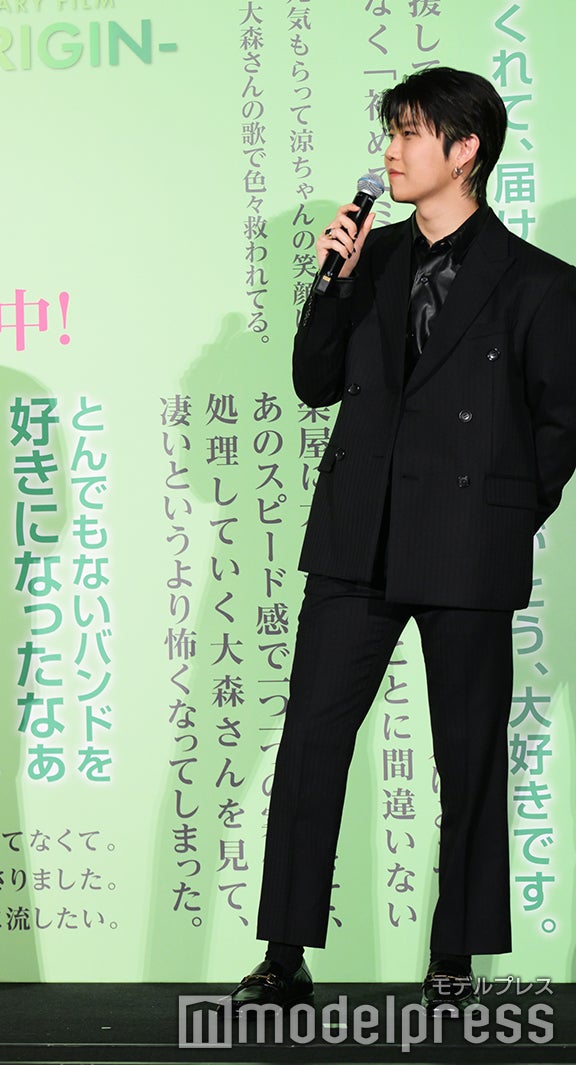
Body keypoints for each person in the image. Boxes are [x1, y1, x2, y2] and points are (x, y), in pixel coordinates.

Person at [232, 66, 576, 1013]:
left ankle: (454, 956)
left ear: (465, 152)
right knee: (310, 741)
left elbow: (561, 425)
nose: (391, 151)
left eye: (410, 133)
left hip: (468, 546)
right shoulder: (372, 258)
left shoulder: (540, 284)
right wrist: (331, 283)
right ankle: (285, 953)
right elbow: (313, 383)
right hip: (359, 539)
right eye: (391, 132)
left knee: (466, 755)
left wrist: (502, 513)